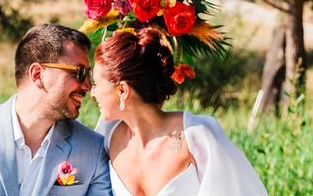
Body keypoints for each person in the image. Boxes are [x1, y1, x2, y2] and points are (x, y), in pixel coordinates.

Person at [0, 23, 112, 196]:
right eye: (79, 73)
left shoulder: (93, 149)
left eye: (88, 75)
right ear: (37, 75)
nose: (88, 86)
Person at [91, 27, 268, 196]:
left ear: (122, 90)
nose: (92, 92)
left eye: (96, 85)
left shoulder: (195, 136)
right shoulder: (108, 138)